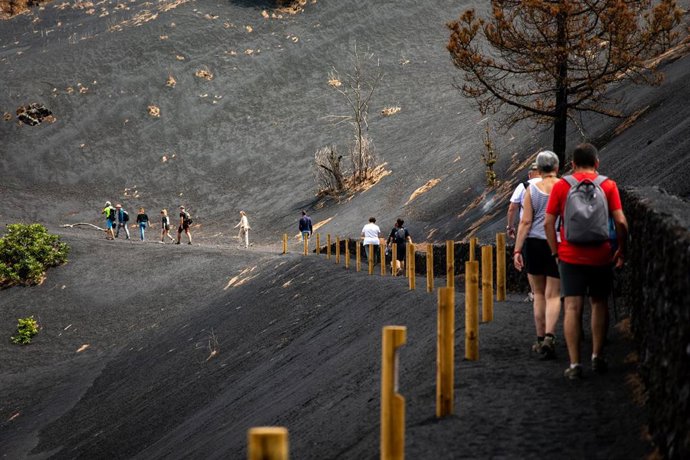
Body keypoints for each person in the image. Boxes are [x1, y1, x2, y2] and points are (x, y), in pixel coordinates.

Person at [545, 143, 628, 380]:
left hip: (570, 256)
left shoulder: (562, 186)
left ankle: (574, 364)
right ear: (597, 163)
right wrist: (621, 250)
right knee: (599, 304)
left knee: (572, 307)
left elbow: (548, 223)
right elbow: (621, 222)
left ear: (572, 164)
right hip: (601, 255)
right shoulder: (608, 185)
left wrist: (555, 252)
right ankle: (597, 356)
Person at [512, 151, 561, 359]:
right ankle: (551, 335)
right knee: (554, 295)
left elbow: (525, 222)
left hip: (533, 244)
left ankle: (540, 339)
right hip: (556, 243)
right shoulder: (563, 187)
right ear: (556, 168)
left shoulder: (531, 189)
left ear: (538, 169)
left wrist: (517, 249)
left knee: (539, 294)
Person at [506, 162, 541, 239]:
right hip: (547, 233)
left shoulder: (523, 186)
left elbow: (512, 208)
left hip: (528, 232)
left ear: (529, 175)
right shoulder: (551, 186)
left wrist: (510, 227)